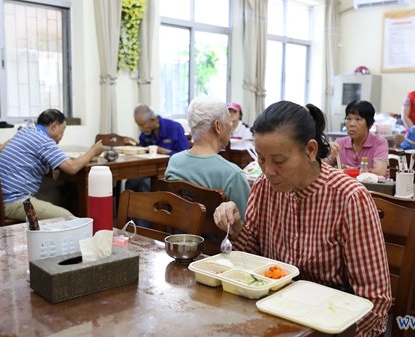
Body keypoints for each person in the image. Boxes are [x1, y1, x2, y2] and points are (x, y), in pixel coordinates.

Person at [213, 101, 391, 337]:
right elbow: (252, 257)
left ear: (310, 150)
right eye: (261, 159)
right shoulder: (265, 187)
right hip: (273, 313)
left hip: (329, 322)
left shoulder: (349, 198)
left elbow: (375, 298)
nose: (268, 171)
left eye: (279, 161)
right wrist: (235, 228)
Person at [0, 109, 104, 220]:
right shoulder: (43, 140)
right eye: (62, 131)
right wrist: (93, 151)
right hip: (13, 203)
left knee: (51, 192)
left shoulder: (26, 132)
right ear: (54, 126)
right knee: (69, 219)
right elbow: (72, 168)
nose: (62, 136)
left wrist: (52, 165)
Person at [165, 96, 250, 218]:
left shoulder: (174, 161)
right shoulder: (232, 175)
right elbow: (245, 227)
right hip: (219, 238)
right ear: (218, 126)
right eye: (228, 120)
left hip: (181, 235)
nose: (231, 125)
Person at [327, 100, 388, 177]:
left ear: (370, 123)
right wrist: (326, 150)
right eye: (348, 119)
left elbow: (379, 172)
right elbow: (321, 168)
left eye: (358, 119)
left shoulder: (379, 142)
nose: (352, 124)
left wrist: (344, 171)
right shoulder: (339, 143)